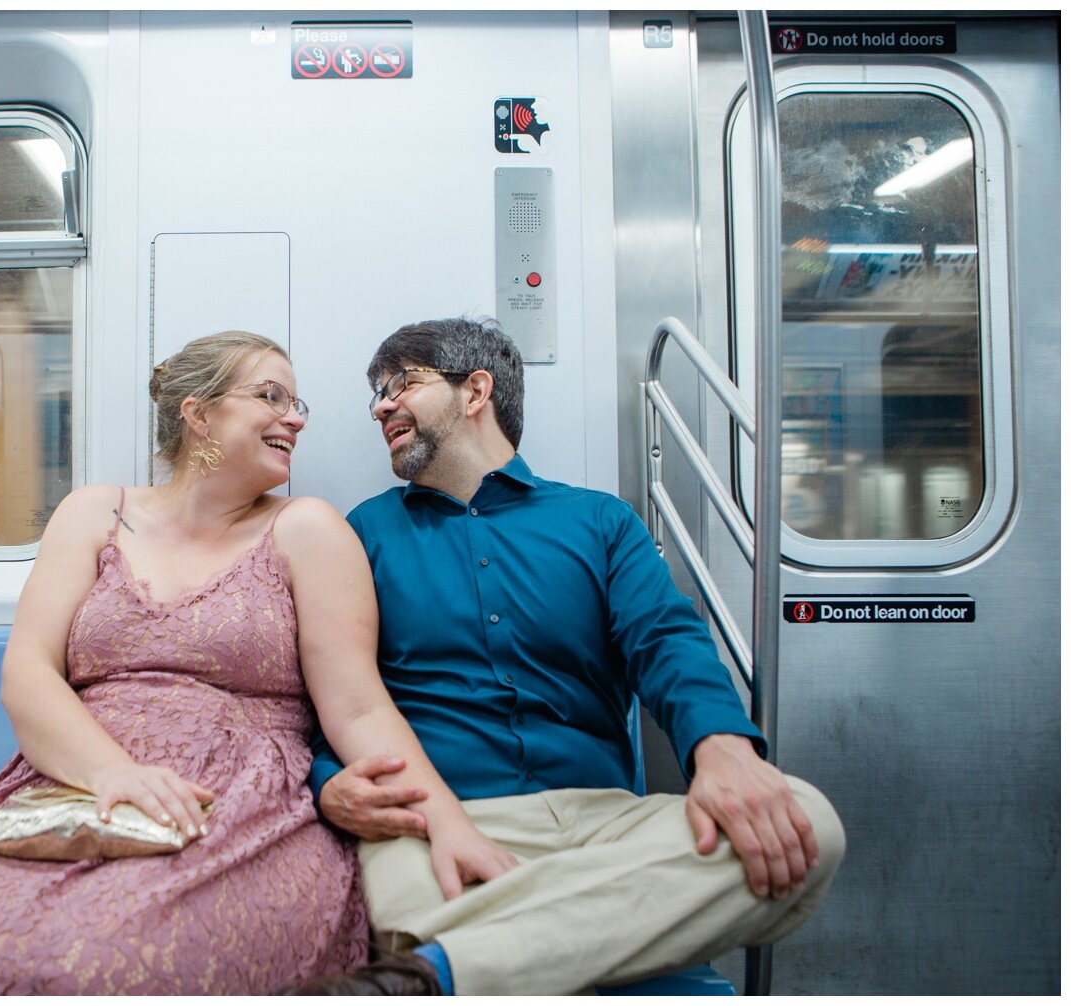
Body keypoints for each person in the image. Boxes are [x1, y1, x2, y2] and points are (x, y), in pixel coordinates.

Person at [0, 331, 512, 995]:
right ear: (199, 413)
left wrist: (445, 822)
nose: (296, 418)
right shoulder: (95, 512)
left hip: (238, 801)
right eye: (272, 396)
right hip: (73, 776)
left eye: (298, 404)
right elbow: (29, 672)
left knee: (115, 966)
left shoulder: (307, 530)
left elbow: (359, 706)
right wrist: (112, 773)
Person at [295, 317, 846, 996]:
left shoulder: (600, 522)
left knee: (808, 825)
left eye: (401, 383)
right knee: (412, 896)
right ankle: (572, 938)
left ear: (476, 390)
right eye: (376, 392)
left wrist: (723, 749)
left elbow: (665, 640)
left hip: (603, 821)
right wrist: (328, 781)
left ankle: (441, 974)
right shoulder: (364, 533)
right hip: (433, 821)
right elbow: (337, 691)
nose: (380, 405)